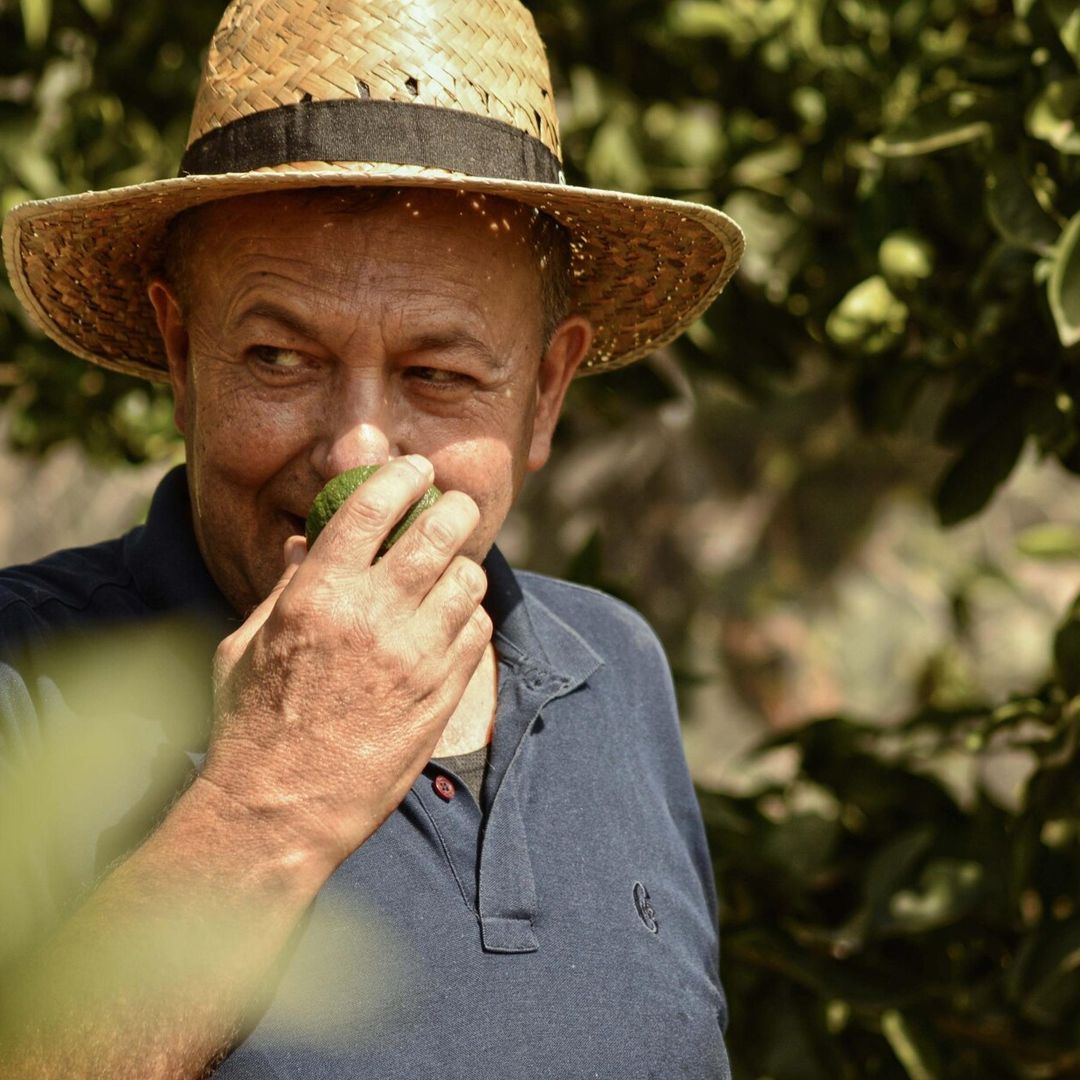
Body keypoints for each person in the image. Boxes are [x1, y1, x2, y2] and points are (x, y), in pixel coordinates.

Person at [0, 0, 744, 1075]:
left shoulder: (616, 671)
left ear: (544, 394)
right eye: (277, 358)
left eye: (438, 376)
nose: (357, 453)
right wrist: (276, 788)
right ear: (181, 355)